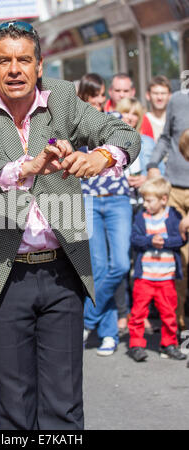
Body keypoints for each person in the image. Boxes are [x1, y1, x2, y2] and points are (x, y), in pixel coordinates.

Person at [0, 21, 140, 430]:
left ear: (39, 65)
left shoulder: (64, 98)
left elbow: (120, 131)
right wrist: (23, 168)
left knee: (64, 409)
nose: (14, 69)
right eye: (4, 61)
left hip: (60, 272)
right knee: (16, 411)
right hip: (2, 272)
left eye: (23, 60)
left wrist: (102, 155)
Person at [77, 74, 133, 350]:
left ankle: (88, 319)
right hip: (89, 199)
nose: (100, 100)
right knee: (98, 268)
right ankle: (109, 333)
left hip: (118, 199)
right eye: (94, 95)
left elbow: (130, 141)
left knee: (121, 265)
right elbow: (51, 142)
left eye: (102, 95)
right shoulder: (74, 124)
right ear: (84, 97)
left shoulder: (115, 118)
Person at [128, 177, 186, 362]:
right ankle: (136, 344)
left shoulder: (173, 216)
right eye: (144, 200)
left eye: (149, 200)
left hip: (166, 277)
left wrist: (166, 242)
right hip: (145, 276)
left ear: (163, 199)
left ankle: (169, 343)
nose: (145, 204)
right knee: (138, 312)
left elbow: (182, 239)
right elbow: (134, 239)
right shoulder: (141, 217)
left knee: (169, 312)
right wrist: (149, 241)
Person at [147, 90, 189, 331]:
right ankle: (176, 326)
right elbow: (165, 138)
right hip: (173, 187)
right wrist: (153, 164)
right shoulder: (178, 99)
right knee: (177, 260)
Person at [141, 76, 171, 142]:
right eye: (155, 93)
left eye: (163, 93)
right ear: (148, 95)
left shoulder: (174, 120)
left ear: (169, 96)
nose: (159, 97)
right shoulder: (142, 121)